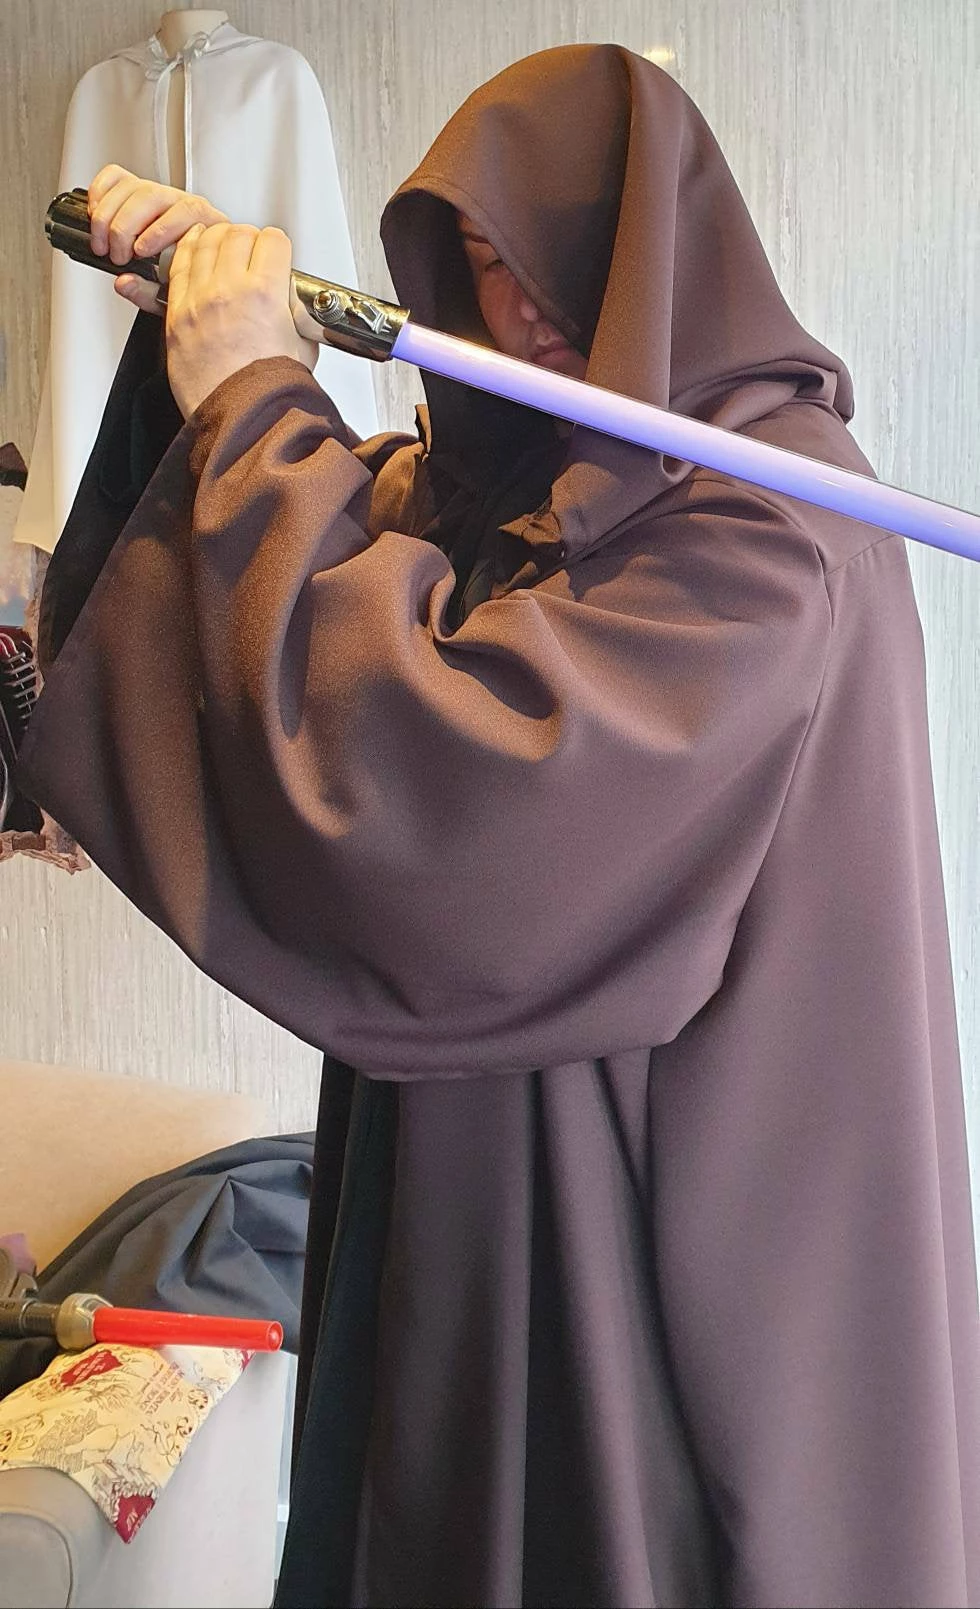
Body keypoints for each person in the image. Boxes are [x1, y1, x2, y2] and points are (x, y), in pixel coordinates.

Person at [17, 42, 980, 1609]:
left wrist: (255, 403)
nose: (518, 312)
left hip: (658, 1224)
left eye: (547, 261)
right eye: (476, 264)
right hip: (481, 1179)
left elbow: (445, 792)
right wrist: (203, 356)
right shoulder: (541, 492)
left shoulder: (767, 529)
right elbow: (360, 543)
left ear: (654, 260)